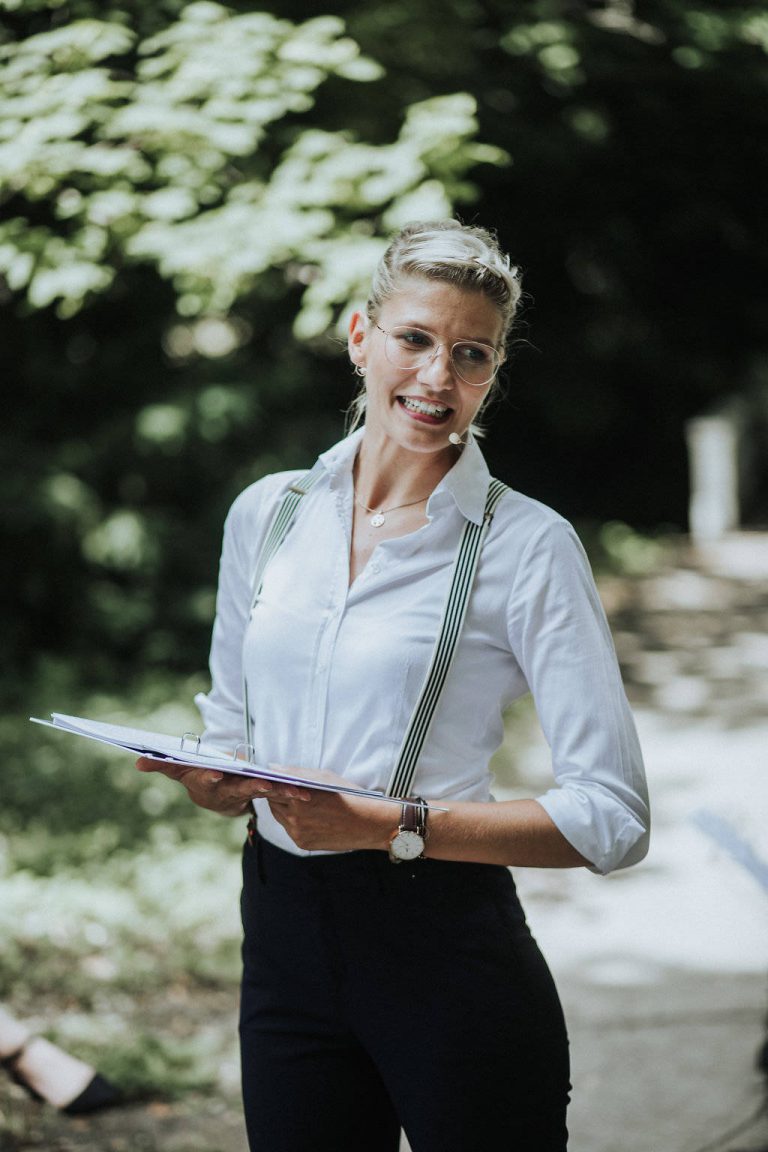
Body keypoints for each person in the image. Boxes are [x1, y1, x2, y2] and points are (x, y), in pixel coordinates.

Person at [138, 219, 650, 1152]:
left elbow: (612, 818)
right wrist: (216, 778)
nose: (437, 377)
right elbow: (231, 732)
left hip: (447, 951)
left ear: (492, 372)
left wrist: (390, 824)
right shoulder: (268, 514)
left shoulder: (528, 546)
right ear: (359, 337)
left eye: (471, 354)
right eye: (414, 339)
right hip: (283, 938)